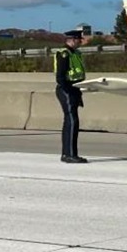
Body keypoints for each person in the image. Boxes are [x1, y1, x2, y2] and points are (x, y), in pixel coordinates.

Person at [54, 30, 87, 163]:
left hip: (75, 89)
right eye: (79, 40)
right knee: (72, 121)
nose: (80, 42)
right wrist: (70, 90)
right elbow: (60, 77)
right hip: (66, 89)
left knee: (72, 122)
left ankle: (68, 153)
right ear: (72, 40)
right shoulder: (63, 54)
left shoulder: (77, 54)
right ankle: (69, 155)